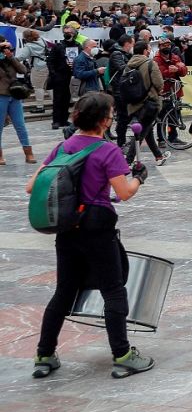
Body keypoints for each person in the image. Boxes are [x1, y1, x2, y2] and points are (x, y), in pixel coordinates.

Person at [28, 92, 154, 380]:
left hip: (66, 228)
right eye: (110, 113)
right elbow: (123, 193)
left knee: (64, 291)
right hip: (97, 229)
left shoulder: (64, 147)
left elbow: (30, 186)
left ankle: (44, 354)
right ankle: (123, 356)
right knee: (113, 290)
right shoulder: (107, 150)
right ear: (103, 120)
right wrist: (139, 178)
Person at [0, 37, 35, 165]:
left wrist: (11, 57)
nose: (6, 50)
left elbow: (23, 70)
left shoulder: (11, 60)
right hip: (1, 96)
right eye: (3, 48)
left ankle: (28, 153)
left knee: (20, 125)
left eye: (8, 48)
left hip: (14, 96)